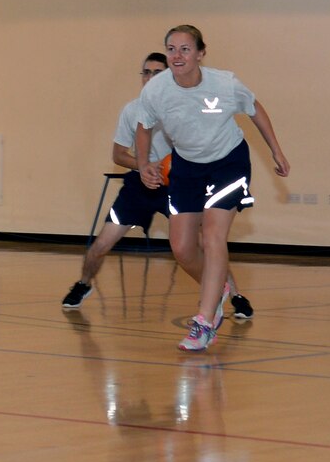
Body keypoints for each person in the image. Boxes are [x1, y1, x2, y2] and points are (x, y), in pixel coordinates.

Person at [134, 25, 289, 352]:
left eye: (185, 49)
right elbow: (143, 125)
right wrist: (144, 162)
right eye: (172, 49)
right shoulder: (156, 90)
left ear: (200, 53)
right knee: (182, 248)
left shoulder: (225, 83)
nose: (177, 55)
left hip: (228, 162)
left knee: (213, 235)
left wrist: (275, 149)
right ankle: (217, 287)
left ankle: (205, 321)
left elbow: (255, 109)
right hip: (187, 166)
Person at [61, 52, 171, 309]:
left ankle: (234, 295)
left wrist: (168, 168)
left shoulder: (180, 108)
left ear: (168, 76)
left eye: (157, 72)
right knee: (102, 243)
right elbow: (119, 155)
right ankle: (84, 283)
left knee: (197, 246)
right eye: (146, 72)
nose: (150, 77)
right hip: (139, 185)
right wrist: (144, 167)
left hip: (173, 186)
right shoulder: (132, 110)